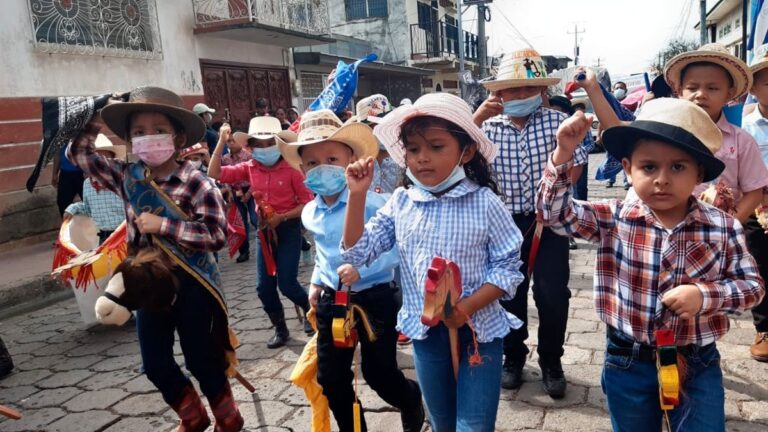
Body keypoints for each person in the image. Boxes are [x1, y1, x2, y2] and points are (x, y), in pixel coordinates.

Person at [537, 97, 764, 431]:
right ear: (628, 168)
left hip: (696, 359)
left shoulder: (722, 225)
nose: (662, 179)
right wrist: (562, 155)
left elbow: (752, 287)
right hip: (628, 358)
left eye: (677, 167)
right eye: (649, 167)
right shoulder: (615, 218)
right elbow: (555, 214)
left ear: (699, 173)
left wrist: (705, 296)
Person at [343, 93, 524, 432]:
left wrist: (466, 306)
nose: (422, 158)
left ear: (466, 151)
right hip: (426, 335)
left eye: (436, 147)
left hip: (478, 334)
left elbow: (508, 268)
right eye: (413, 150)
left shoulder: (485, 202)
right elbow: (357, 251)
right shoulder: (401, 202)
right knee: (442, 422)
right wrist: (356, 196)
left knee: (474, 425)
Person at [68, 86, 243, 432]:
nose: (149, 138)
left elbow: (217, 236)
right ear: (130, 142)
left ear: (177, 137)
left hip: (193, 284)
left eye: (158, 130)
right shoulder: (127, 175)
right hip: (148, 284)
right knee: (154, 364)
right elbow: (80, 155)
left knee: (202, 360)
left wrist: (165, 225)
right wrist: (97, 110)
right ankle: (192, 416)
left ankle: (228, 416)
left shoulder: (198, 183)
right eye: (139, 132)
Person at [276, 109, 424, 432]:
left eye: (331, 158)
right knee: (331, 378)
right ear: (302, 169)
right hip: (334, 301)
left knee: (379, 373)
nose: (322, 168)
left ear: (351, 160)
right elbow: (324, 254)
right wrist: (317, 282)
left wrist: (364, 265)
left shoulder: (373, 204)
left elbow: (398, 249)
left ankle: (411, 398)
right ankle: (353, 429)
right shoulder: (310, 212)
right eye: (313, 163)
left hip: (376, 298)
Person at [473, 47, 590, 397]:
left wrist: (554, 198)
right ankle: (513, 356)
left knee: (552, 294)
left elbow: (576, 167)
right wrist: (476, 119)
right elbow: (460, 159)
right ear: (499, 94)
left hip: (550, 222)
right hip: (504, 224)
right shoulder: (485, 129)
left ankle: (552, 360)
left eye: (528, 89)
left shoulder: (559, 123)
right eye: (512, 90)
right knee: (509, 293)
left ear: (542, 91)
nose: (520, 96)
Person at [208, 116, 315, 347]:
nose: (265, 149)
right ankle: (280, 328)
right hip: (265, 233)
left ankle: (310, 311)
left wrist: (283, 217)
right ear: (251, 147)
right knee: (263, 288)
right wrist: (220, 142)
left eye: (270, 143)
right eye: (260, 144)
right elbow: (214, 173)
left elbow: (307, 203)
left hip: (288, 229)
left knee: (287, 283)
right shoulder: (249, 167)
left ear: (279, 143)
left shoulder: (293, 169)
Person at [739, 43, 768, 362]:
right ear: (755, 87)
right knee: (761, 264)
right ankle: (765, 328)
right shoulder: (746, 129)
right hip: (759, 208)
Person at [63, 134, 125, 244]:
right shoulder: (87, 184)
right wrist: (73, 208)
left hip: (124, 235)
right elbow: (88, 208)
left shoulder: (121, 181)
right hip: (102, 237)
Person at [221, 130, 255, 263]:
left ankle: (265, 244)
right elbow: (225, 177)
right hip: (235, 190)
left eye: (233, 141)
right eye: (228, 141)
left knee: (254, 218)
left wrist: (248, 193)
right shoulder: (225, 158)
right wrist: (229, 191)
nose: (230, 144)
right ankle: (244, 251)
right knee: (240, 222)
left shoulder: (248, 155)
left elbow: (255, 177)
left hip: (251, 189)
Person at [53, 145, 85, 216]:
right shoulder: (60, 137)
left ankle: (93, 225)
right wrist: (55, 174)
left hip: (83, 173)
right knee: (62, 203)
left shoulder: (84, 134)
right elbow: (57, 154)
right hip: (65, 173)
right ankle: (67, 225)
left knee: (90, 202)